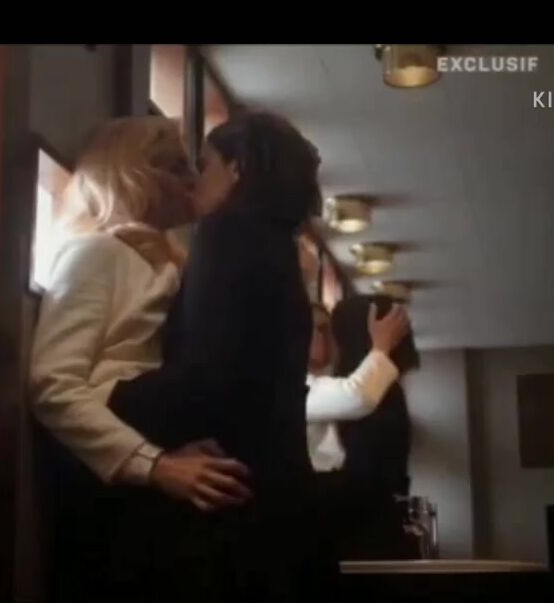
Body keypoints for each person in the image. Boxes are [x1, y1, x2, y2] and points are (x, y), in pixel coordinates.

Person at [28, 116, 254, 603]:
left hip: (147, 482)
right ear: (136, 173)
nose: (191, 180)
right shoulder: (95, 252)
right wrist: (154, 465)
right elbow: (52, 384)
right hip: (105, 492)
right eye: (176, 167)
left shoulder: (162, 264)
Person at [105, 111, 330, 601]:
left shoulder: (226, 231)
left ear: (237, 168)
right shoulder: (279, 250)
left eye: (204, 165)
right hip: (283, 502)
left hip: (234, 502)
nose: (192, 181)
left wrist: (105, 397)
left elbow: (205, 377)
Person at [319, 294, 421, 560]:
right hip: (374, 532)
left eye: (329, 331)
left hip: (359, 539)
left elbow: (363, 480)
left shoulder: (376, 399)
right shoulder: (386, 394)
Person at [304, 301, 410, 473]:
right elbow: (356, 397)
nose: (330, 338)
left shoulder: (336, 375)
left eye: (330, 330)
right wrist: (381, 346)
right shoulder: (286, 385)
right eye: (320, 329)